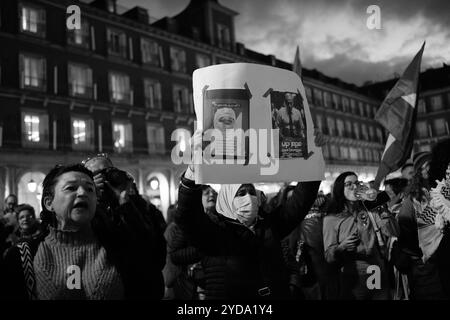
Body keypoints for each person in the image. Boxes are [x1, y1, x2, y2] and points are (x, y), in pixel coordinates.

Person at [174, 130, 325, 299]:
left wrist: (313, 157)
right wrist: (193, 173)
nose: (249, 198)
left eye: (251, 191)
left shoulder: (269, 225)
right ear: (227, 200)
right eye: (241, 193)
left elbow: (300, 201)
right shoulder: (216, 232)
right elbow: (188, 217)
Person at [82, 154, 166, 299]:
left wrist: (125, 203)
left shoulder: (140, 206)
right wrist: (91, 197)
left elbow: (153, 248)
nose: (105, 177)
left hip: (147, 290)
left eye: (108, 171)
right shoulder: (86, 212)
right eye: (97, 174)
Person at [323, 172, 397, 300]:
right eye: (349, 184)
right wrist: (341, 247)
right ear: (340, 189)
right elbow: (329, 256)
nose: (354, 187)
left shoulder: (369, 210)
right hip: (353, 273)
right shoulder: (332, 218)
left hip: (375, 268)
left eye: (357, 183)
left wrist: (381, 207)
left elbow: (393, 232)